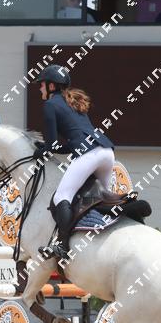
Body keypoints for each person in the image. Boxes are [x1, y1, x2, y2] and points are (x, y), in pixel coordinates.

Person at [32, 65, 116, 261]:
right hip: (106, 152)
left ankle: (63, 245)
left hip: (89, 155)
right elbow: (70, 144)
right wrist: (49, 149)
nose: (40, 88)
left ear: (51, 86)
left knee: (61, 196)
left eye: (42, 84)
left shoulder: (50, 105)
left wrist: (40, 151)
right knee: (104, 197)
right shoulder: (73, 102)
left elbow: (51, 145)